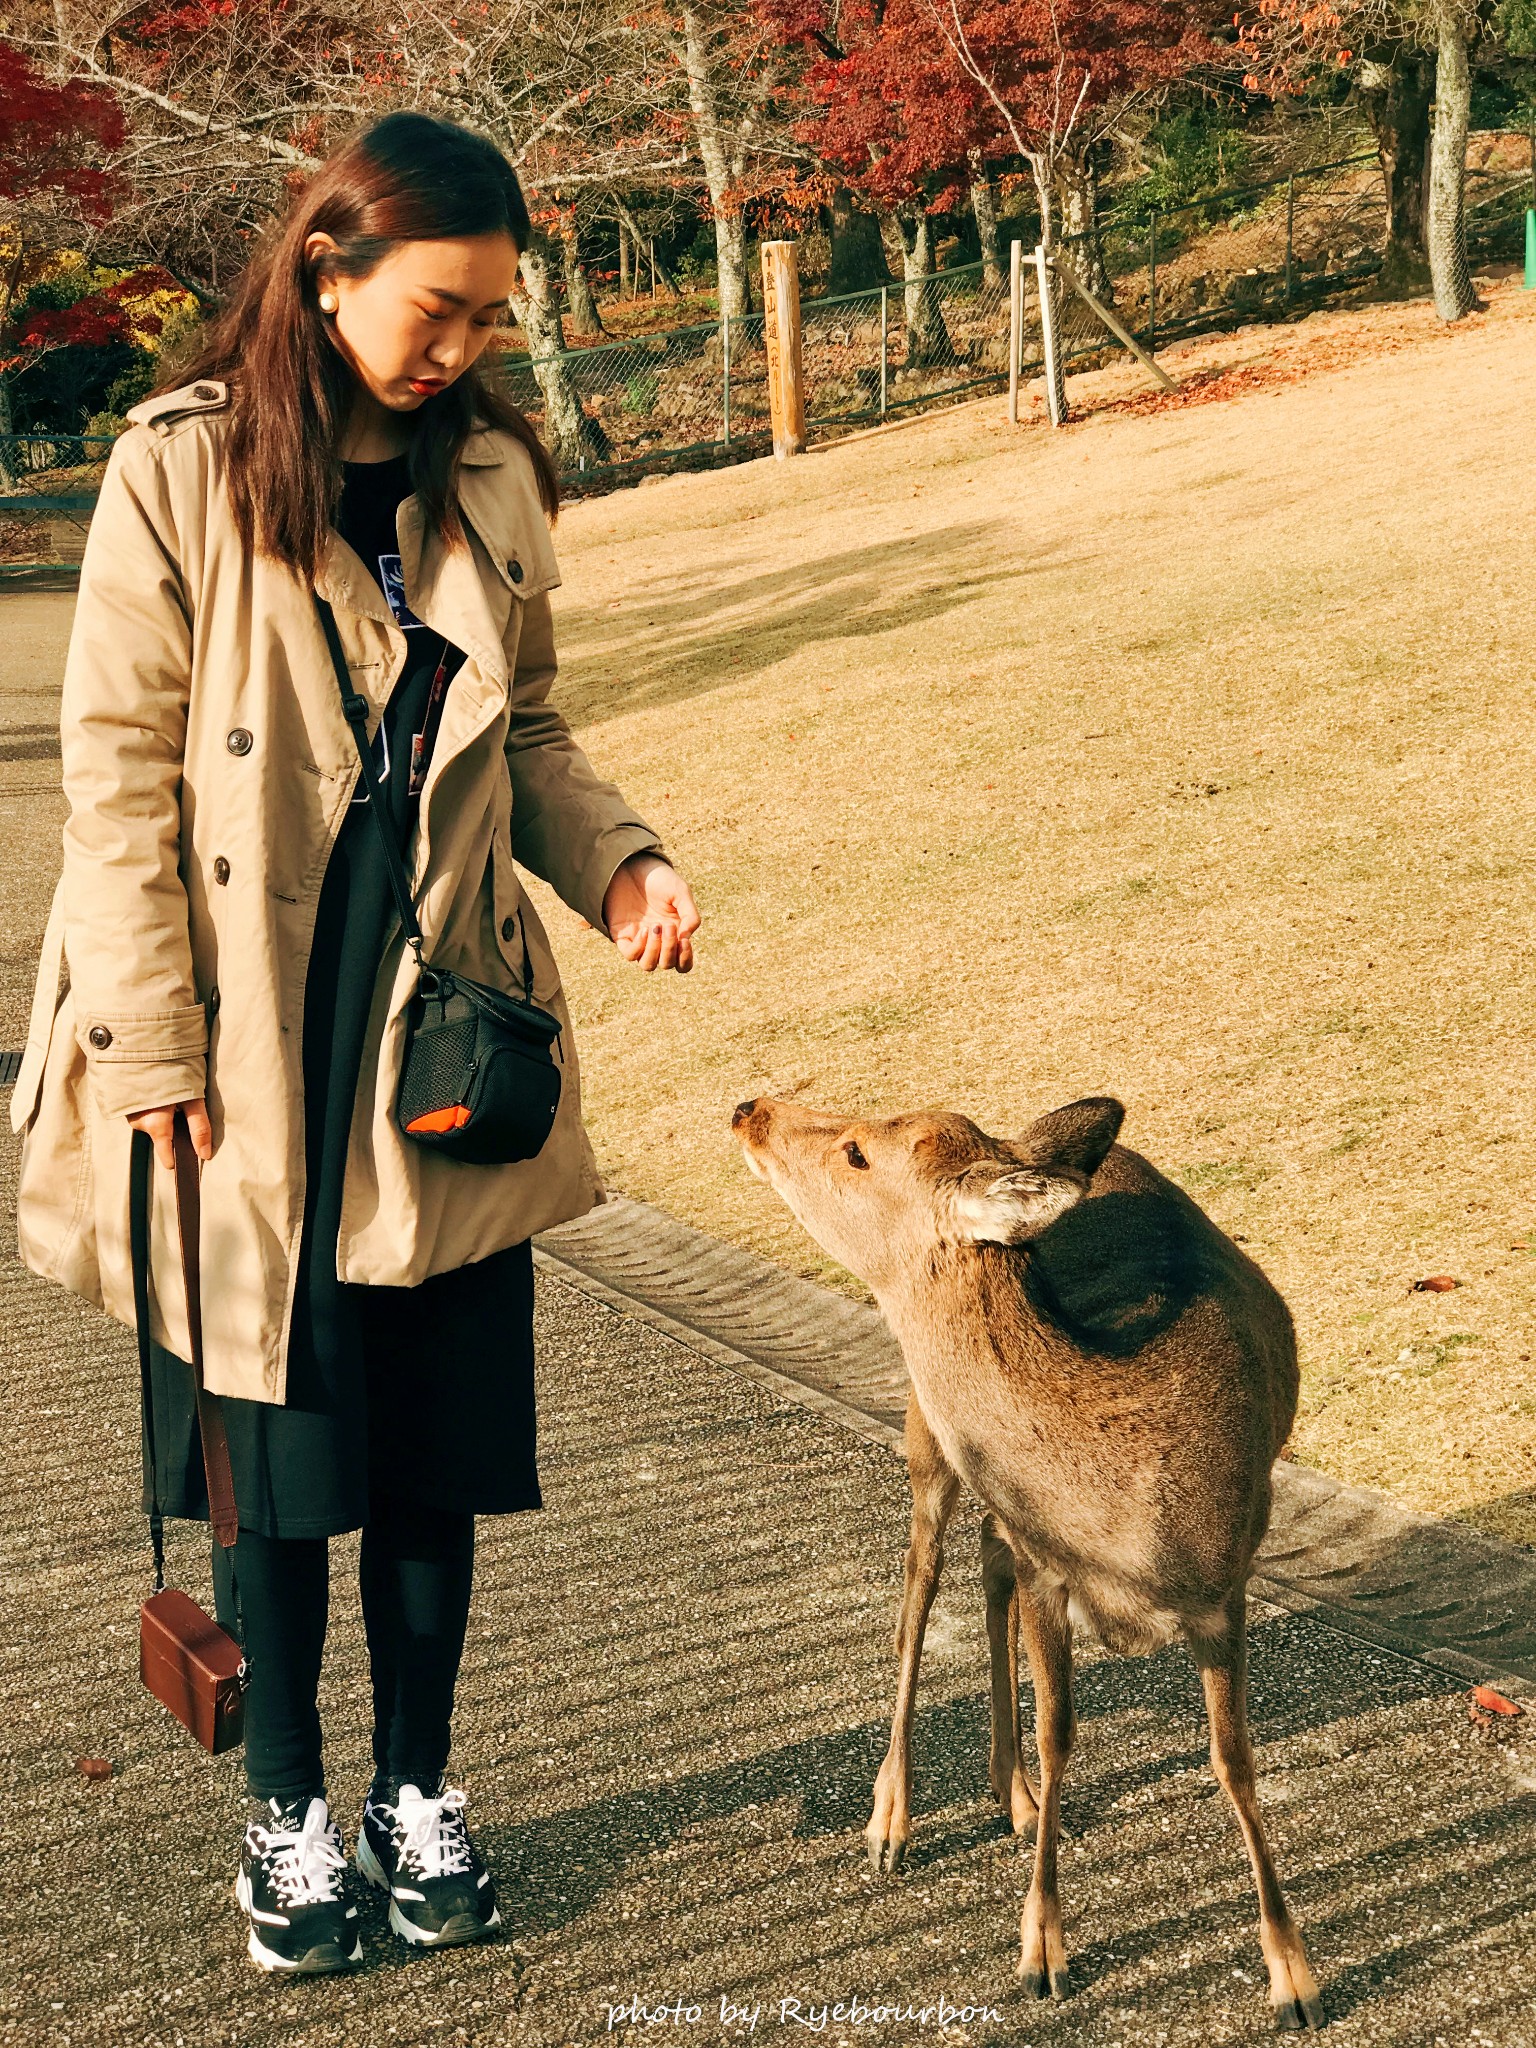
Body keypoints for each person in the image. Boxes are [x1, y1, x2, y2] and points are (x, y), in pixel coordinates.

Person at [10, 110, 699, 1974]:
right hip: (238, 1048)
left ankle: (417, 1789)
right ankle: (288, 1812)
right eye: (436, 310)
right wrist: (149, 1044)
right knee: (276, 1463)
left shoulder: (490, 472)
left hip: (436, 1047)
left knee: (429, 1460)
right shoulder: (182, 470)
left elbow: (527, 729)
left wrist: (618, 863)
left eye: (490, 318)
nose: (462, 349)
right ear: (326, 270)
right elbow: (115, 781)